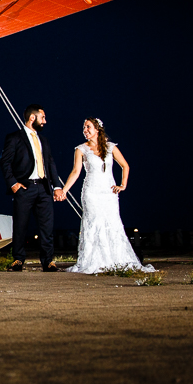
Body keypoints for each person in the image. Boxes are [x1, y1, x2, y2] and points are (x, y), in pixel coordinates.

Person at [60, 117, 154, 274]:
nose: (85, 130)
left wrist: (123, 185)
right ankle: (94, 261)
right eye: (84, 128)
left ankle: (114, 259)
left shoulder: (111, 147)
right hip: (91, 192)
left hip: (109, 193)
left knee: (112, 223)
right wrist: (64, 190)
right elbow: (76, 172)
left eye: (88, 127)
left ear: (97, 129)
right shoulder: (80, 149)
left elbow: (125, 166)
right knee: (93, 223)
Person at [0, 104, 65, 272]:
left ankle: (48, 261)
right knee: (20, 225)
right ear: (32, 118)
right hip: (25, 188)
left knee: (47, 226)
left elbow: (50, 163)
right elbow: (5, 162)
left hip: (44, 188)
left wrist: (57, 186)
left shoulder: (44, 140)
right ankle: (18, 260)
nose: (45, 121)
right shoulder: (14, 138)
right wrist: (13, 184)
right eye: (42, 118)